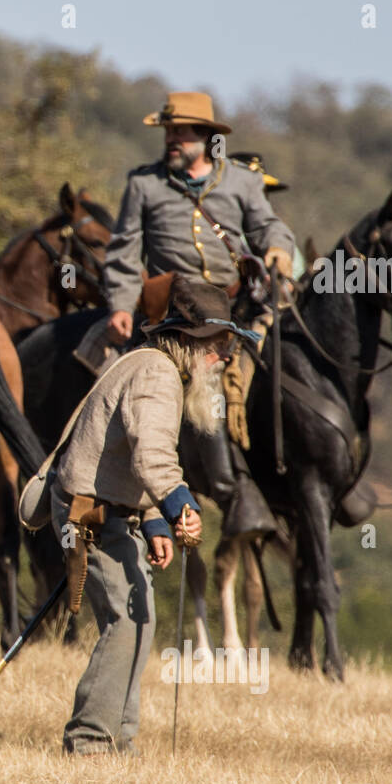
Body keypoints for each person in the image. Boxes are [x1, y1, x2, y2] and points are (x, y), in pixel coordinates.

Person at [50, 277, 259, 755]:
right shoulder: (158, 375)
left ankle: (118, 739)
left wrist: (155, 522)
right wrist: (180, 506)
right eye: (220, 345)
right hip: (89, 510)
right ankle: (89, 742)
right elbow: (152, 459)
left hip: (116, 508)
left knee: (139, 617)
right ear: (191, 340)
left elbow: (132, 461)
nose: (226, 357)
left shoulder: (158, 369)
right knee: (126, 618)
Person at [101, 91, 296, 538]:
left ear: (207, 138)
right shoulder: (143, 184)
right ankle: (226, 493)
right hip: (172, 313)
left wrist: (279, 251)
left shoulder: (242, 183)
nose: (171, 139)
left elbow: (268, 227)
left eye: (181, 132)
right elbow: (125, 251)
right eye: (168, 131)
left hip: (231, 307)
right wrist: (118, 305)